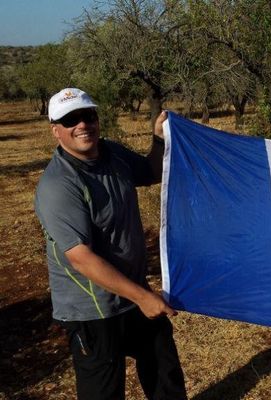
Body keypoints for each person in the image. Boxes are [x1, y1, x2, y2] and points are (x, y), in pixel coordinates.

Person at [35, 88, 187, 400]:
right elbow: (81, 259)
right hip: (91, 309)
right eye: (70, 120)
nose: (82, 124)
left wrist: (159, 139)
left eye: (88, 115)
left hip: (133, 291)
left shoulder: (112, 153)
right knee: (102, 392)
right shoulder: (58, 186)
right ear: (56, 131)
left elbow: (152, 170)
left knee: (165, 373)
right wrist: (143, 297)